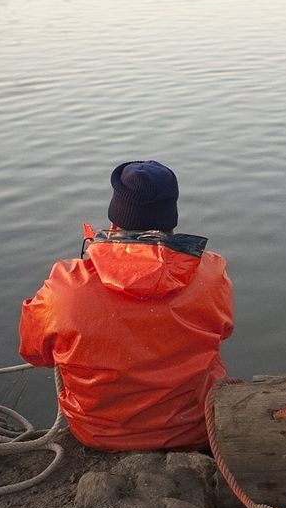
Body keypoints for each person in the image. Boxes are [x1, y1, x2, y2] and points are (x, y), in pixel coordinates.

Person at [19, 160, 234, 450]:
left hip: (97, 434)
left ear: (114, 222)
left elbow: (34, 352)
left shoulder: (65, 287)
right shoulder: (211, 274)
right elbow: (224, 331)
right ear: (172, 220)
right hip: (193, 427)